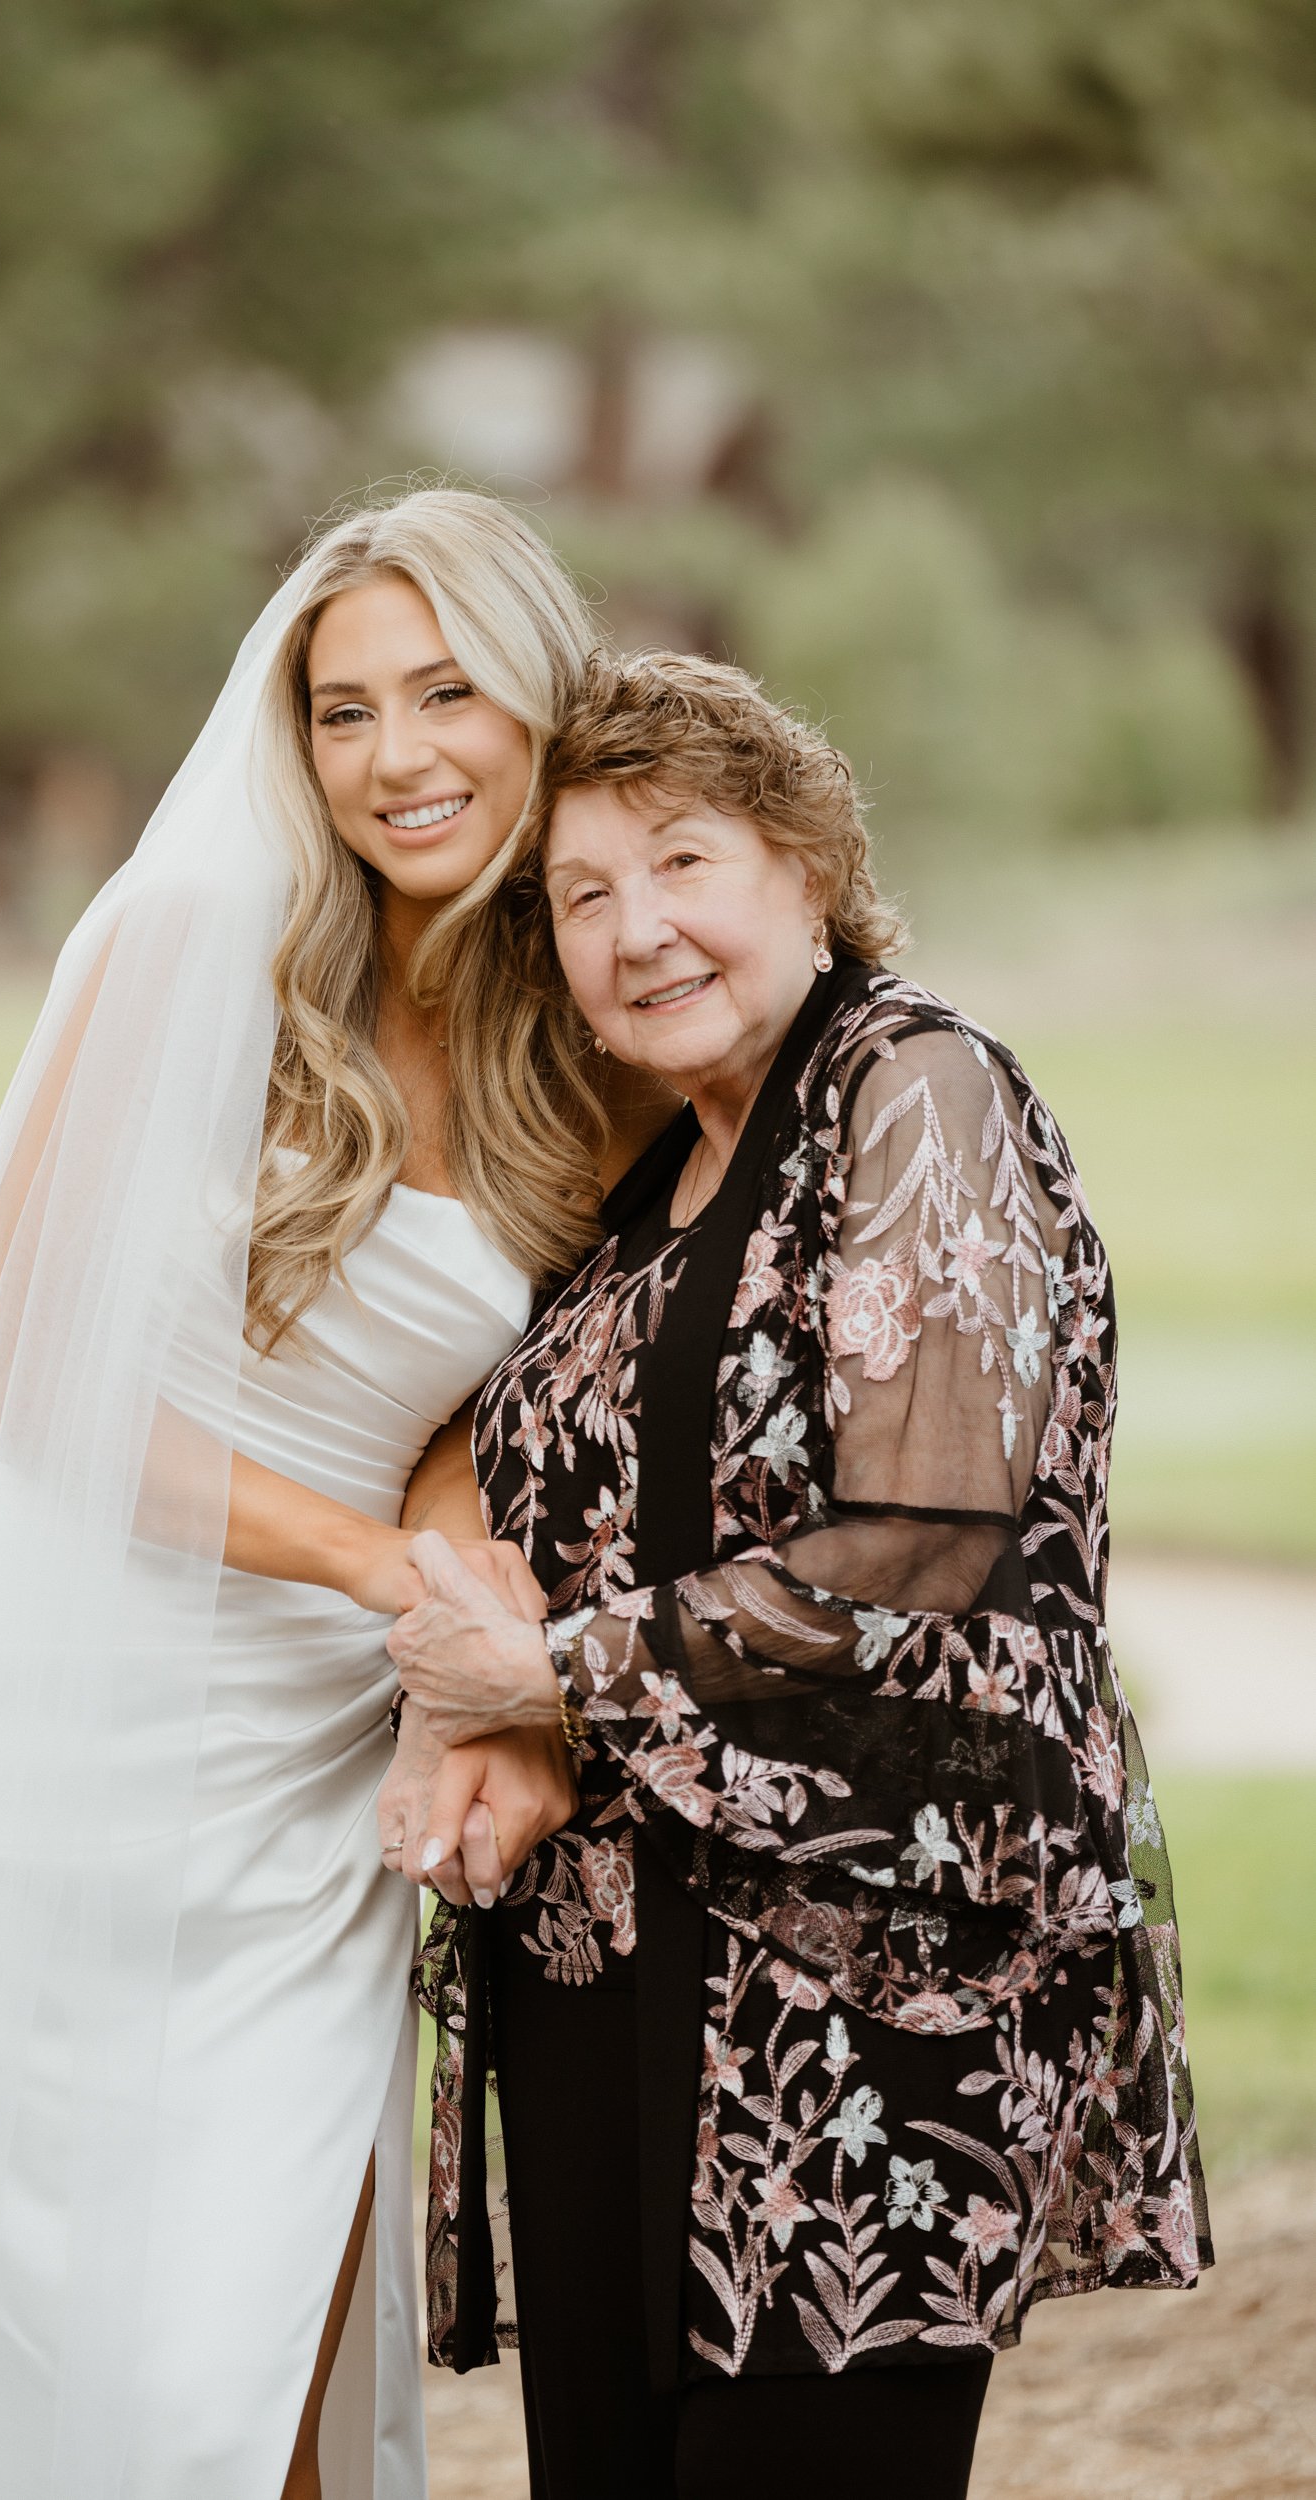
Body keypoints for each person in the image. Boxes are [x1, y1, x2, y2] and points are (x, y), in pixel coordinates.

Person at [0, 491, 634, 2500]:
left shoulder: (581, 1032)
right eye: (344, 708)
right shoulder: (190, 939)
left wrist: (454, 1594)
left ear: (545, 701)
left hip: (297, 1775)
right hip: (13, 1730)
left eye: (447, 692)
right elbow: (38, 1376)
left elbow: (484, 1385)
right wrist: (397, 1573)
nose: (396, 755)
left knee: (250, 2342)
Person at [384, 649, 1211, 2500]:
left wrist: (553, 1679)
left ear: (808, 870)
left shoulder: (915, 1093)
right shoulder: (639, 1189)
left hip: (856, 1999)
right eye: (583, 895)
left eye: (683, 863)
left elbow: (920, 1541)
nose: (636, 930)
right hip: (607, 1981)